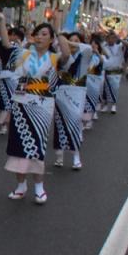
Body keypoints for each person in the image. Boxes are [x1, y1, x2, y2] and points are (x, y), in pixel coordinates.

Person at [4, 23, 71, 204]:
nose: (40, 37)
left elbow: (66, 54)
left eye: (44, 34)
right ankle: (20, 185)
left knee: (37, 146)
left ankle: (39, 187)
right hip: (21, 103)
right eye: (37, 34)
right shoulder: (25, 55)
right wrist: (11, 109)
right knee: (18, 146)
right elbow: (19, 81)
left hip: (42, 106)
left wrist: (61, 33)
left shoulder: (54, 58)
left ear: (51, 39)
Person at [53, 32, 92, 170]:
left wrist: (68, 42)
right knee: (60, 123)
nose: (72, 43)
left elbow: (87, 47)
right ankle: (59, 155)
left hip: (77, 92)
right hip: (62, 91)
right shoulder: (62, 56)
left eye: (76, 41)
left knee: (75, 122)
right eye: (70, 40)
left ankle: (76, 157)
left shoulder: (85, 55)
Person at [100, 30, 125, 113]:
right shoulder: (104, 46)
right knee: (106, 88)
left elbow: (127, 44)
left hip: (116, 72)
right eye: (110, 38)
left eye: (113, 38)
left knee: (115, 88)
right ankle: (106, 105)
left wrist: (119, 38)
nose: (111, 40)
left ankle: (114, 105)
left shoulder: (119, 46)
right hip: (107, 71)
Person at [83, 35, 105, 130]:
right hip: (86, 79)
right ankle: (84, 120)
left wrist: (97, 53)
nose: (93, 45)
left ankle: (89, 121)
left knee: (91, 100)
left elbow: (102, 61)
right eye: (92, 43)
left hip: (95, 80)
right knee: (84, 101)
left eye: (95, 44)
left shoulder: (100, 56)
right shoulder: (87, 54)